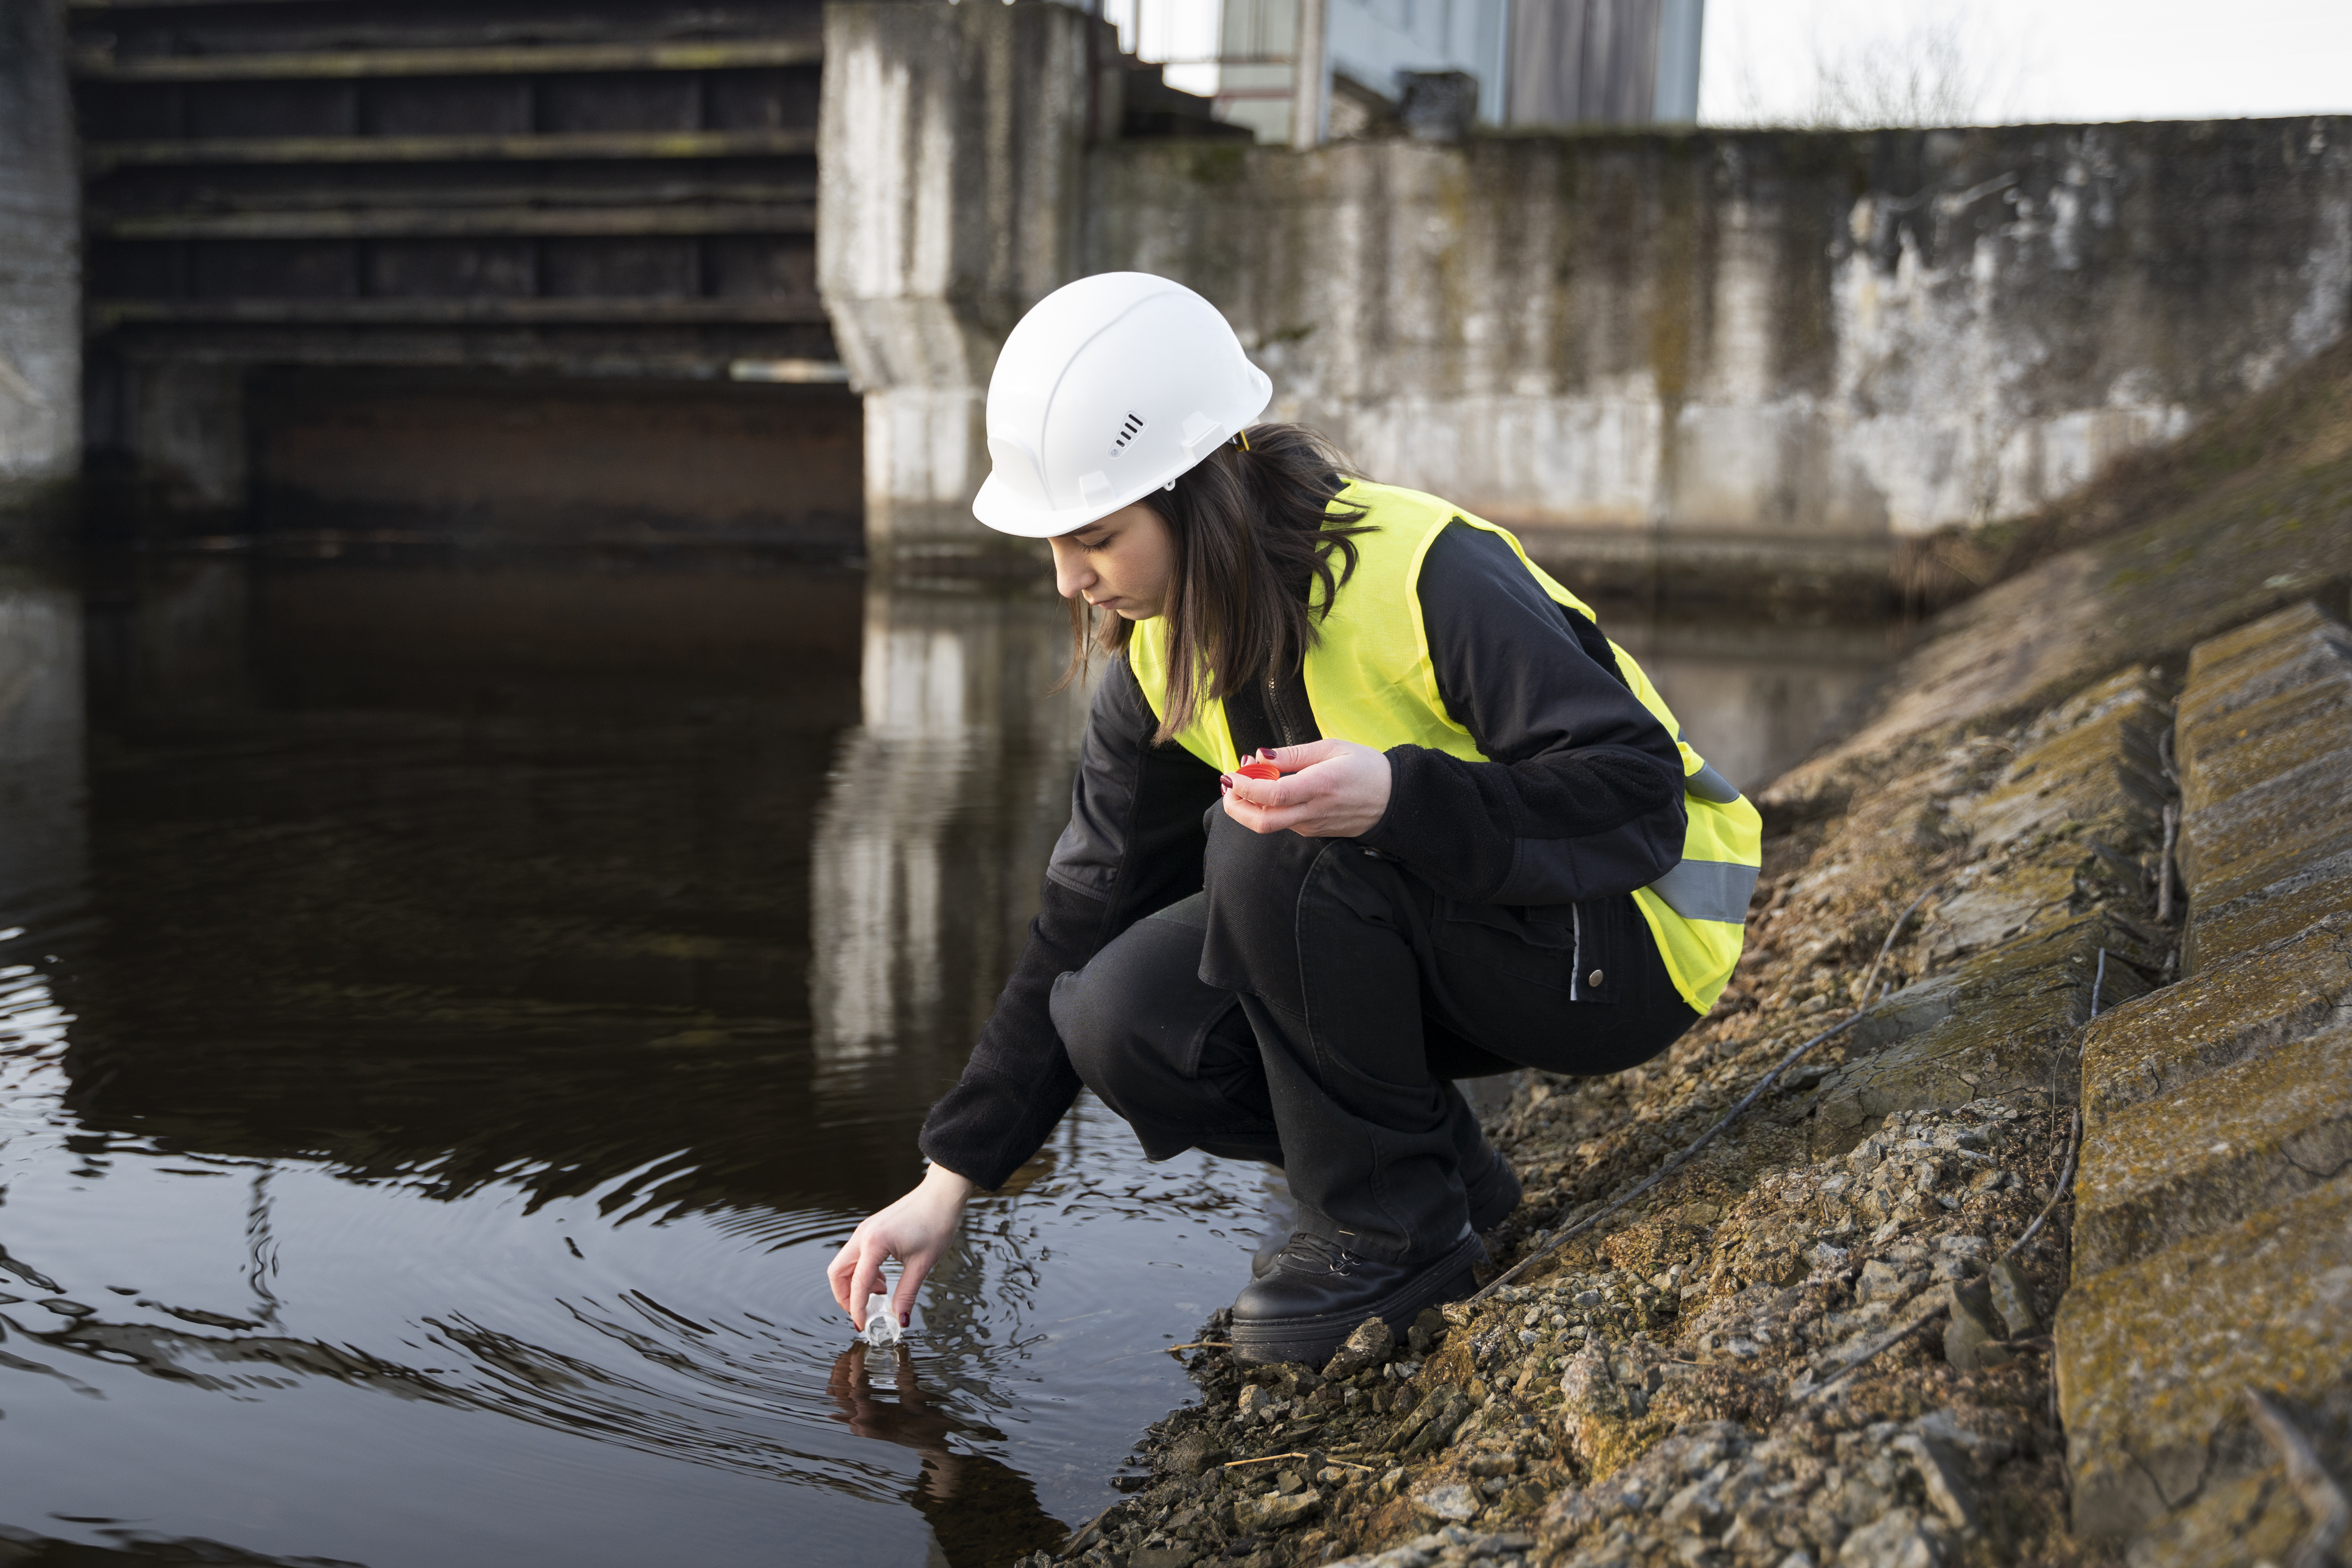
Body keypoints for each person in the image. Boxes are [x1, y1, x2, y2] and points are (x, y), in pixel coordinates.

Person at [827, 272, 1760, 1366]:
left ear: (1196, 490)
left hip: (1627, 944)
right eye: (1053, 544)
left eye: (1095, 537)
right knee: (1115, 1015)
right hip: (1475, 932)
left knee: (1267, 847)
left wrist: (1403, 798)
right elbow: (1077, 921)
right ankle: (1444, 1184)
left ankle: (1386, 1236)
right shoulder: (1159, 659)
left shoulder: (1424, 572)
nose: (1069, 581)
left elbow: (1634, 792)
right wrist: (950, 1182)